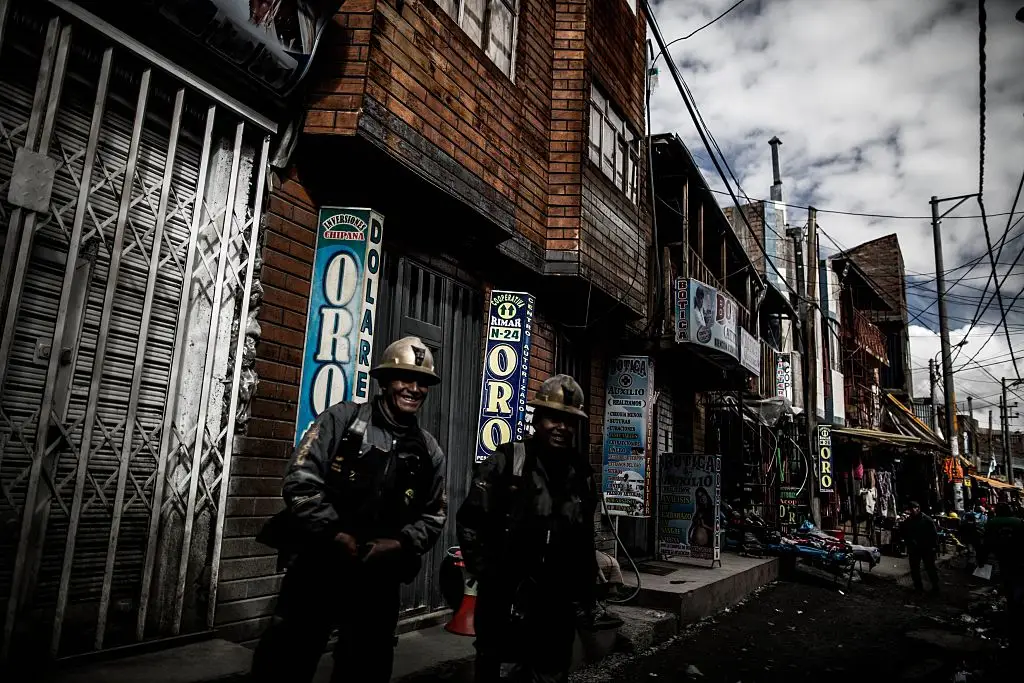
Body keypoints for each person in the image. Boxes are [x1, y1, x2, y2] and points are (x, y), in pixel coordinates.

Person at [250, 336, 448, 683]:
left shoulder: (428, 451)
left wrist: (401, 543)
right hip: (318, 566)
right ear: (385, 380)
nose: (414, 388)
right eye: (405, 378)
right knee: (285, 661)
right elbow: (300, 480)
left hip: (377, 579)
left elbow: (433, 514)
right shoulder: (342, 420)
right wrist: (333, 532)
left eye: (423, 382)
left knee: (365, 669)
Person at [457, 374, 616, 683]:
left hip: (556, 605)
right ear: (537, 419)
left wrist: (584, 599)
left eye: (570, 421)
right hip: (506, 603)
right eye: (554, 418)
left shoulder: (581, 474)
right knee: (498, 671)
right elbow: (470, 522)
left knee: (551, 673)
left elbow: (584, 542)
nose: (562, 428)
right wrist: (492, 578)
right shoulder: (508, 461)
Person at [900, 501, 940, 594]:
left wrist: (934, 547)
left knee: (930, 567)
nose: (910, 511)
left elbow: (934, 535)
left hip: (926, 548)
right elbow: (904, 533)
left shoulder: (927, 520)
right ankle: (918, 587)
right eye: (909, 509)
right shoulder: (909, 520)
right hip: (914, 548)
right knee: (914, 568)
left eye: (912, 509)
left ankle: (935, 586)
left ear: (917, 508)